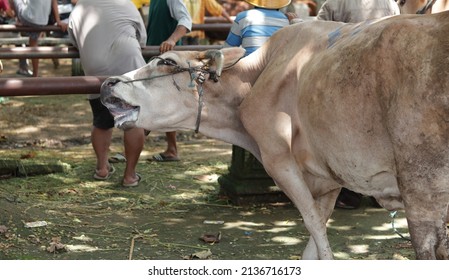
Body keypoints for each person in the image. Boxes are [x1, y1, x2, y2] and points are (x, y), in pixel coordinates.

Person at [317, 0, 399, 209]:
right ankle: (380, 194)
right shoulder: (389, 2)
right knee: (379, 134)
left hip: (348, 77)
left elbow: (318, 34)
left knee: (347, 136)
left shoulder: (335, 2)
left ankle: (349, 194)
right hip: (383, 76)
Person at [68, 0, 146, 187]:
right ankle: (129, 176)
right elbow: (142, 39)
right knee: (133, 123)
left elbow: (74, 42)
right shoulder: (127, 4)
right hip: (128, 65)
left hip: (96, 69)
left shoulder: (78, 9)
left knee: (102, 122)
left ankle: (102, 168)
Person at [146, 0, 192, 162]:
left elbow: (185, 21)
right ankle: (171, 148)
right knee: (159, 103)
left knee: (153, 102)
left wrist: (171, 40)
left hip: (165, 60)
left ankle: (130, 148)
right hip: (155, 58)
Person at [10, 0, 68, 77]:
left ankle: (18, 20)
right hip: (43, 21)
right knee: (33, 43)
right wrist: (58, 21)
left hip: (29, 19)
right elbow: (54, 2)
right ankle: (35, 74)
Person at [224, 0, 295, 56]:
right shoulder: (287, 21)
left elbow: (227, 50)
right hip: (277, 70)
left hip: (250, 71)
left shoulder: (243, 17)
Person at [317, 0, 400, 22]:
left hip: (344, 60)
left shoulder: (333, 4)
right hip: (383, 60)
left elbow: (317, 37)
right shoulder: (391, 4)